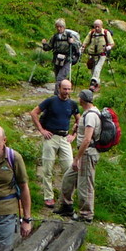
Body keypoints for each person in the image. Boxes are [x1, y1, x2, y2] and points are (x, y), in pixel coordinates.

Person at [29, 79, 80, 208]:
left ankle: (66, 197)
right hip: (50, 137)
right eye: (64, 89)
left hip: (64, 138)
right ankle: (48, 197)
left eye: (69, 89)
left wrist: (73, 135)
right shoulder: (50, 101)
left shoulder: (73, 104)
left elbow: (79, 120)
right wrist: (41, 130)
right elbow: (34, 113)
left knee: (69, 168)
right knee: (47, 169)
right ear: (59, 89)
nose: (67, 92)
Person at [55, 89, 101, 223]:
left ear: (82, 100)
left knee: (85, 184)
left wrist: (77, 158)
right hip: (84, 153)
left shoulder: (91, 116)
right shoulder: (88, 114)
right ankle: (66, 206)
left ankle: (86, 216)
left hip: (87, 154)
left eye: (79, 97)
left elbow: (87, 139)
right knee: (68, 178)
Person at [41, 18, 81, 91]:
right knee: (58, 78)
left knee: (60, 78)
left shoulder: (69, 36)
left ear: (64, 27)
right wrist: (44, 44)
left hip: (67, 60)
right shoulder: (55, 37)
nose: (59, 28)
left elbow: (77, 48)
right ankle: (63, 93)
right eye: (57, 27)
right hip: (57, 60)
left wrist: (72, 42)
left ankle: (57, 95)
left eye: (60, 27)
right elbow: (48, 47)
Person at [81, 19, 115, 91]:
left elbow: (112, 43)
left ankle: (92, 84)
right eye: (95, 26)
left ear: (101, 26)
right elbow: (86, 41)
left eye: (98, 27)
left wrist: (109, 47)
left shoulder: (106, 33)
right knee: (93, 71)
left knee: (97, 68)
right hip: (92, 55)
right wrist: (83, 47)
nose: (96, 28)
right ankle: (97, 85)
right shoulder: (91, 33)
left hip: (102, 54)